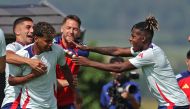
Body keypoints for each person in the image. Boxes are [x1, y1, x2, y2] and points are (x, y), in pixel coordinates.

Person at [72, 16, 190, 109]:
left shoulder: (149, 54)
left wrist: (89, 62)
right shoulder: (147, 49)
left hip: (173, 104)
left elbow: (120, 68)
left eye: (133, 36)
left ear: (142, 39)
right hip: (171, 103)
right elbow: (117, 51)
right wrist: (89, 48)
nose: (130, 39)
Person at [7, 22, 74, 109]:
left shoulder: (57, 50)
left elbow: (64, 67)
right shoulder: (22, 55)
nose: (50, 44)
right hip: (30, 105)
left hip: (52, 105)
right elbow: (11, 81)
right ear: (36, 38)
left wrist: (72, 85)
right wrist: (32, 75)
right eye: (47, 41)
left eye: (51, 40)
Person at [1, 17, 46, 109]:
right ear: (17, 31)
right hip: (14, 102)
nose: (32, 31)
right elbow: (8, 56)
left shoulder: (35, 50)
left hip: (30, 103)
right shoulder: (14, 46)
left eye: (33, 28)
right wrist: (30, 62)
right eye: (28, 27)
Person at [54, 15, 89, 109]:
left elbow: (84, 53)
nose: (71, 32)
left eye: (75, 29)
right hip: (49, 98)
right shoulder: (52, 44)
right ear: (62, 29)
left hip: (68, 100)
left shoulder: (81, 48)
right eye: (68, 28)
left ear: (79, 33)